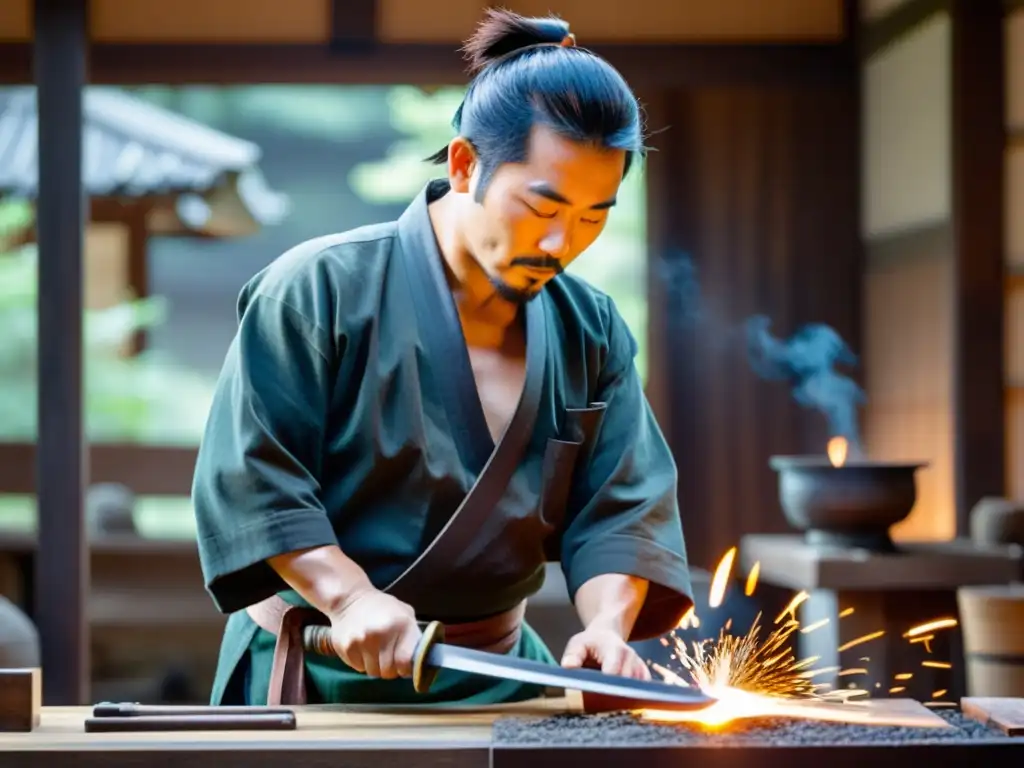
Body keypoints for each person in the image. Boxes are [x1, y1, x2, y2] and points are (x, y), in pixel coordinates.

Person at [192, 7, 694, 707]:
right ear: (465, 165)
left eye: (592, 216)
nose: (562, 244)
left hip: (504, 676)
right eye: (543, 209)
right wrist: (350, 598)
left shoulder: (591, 327)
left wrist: (608, 627)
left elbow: (619, 504)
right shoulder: (316, 290)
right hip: (323, 665)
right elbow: (258, 479)